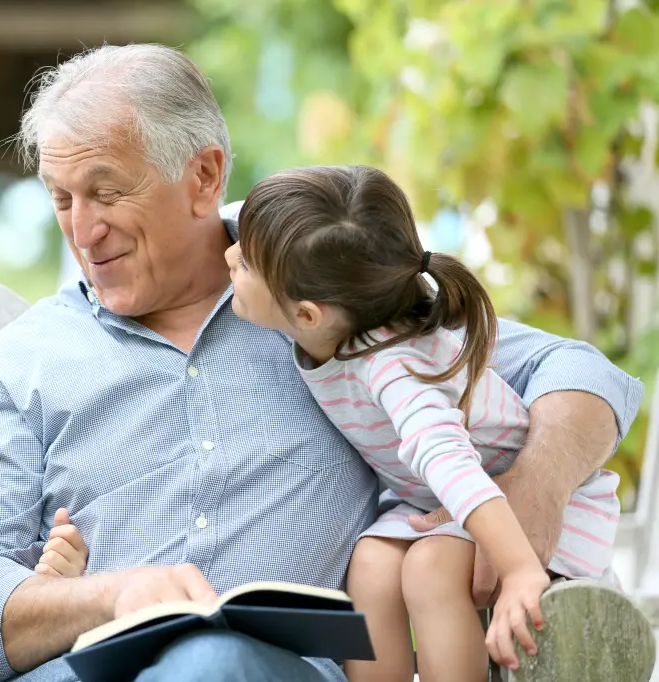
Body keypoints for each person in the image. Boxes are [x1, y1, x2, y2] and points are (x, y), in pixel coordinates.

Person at [0, 44, 643, 682]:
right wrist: (111, 596)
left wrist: (533, 489)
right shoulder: (23, 363)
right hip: (84, 670)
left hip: (273, 670)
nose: (85, 229)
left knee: (211, 664)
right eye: (62, 200)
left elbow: (585, 375)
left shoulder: (324, 297)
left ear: (204, 176)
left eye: (108, 192)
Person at [224, 165, 621, 681]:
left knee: (430, 570)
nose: (229, 254)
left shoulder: (396, 368)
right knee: (370, 564)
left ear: (306, 316)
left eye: (247, 262)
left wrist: (522, 568)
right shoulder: (340, 323)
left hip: (522, 514)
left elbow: (450, 462)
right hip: (438, 504)